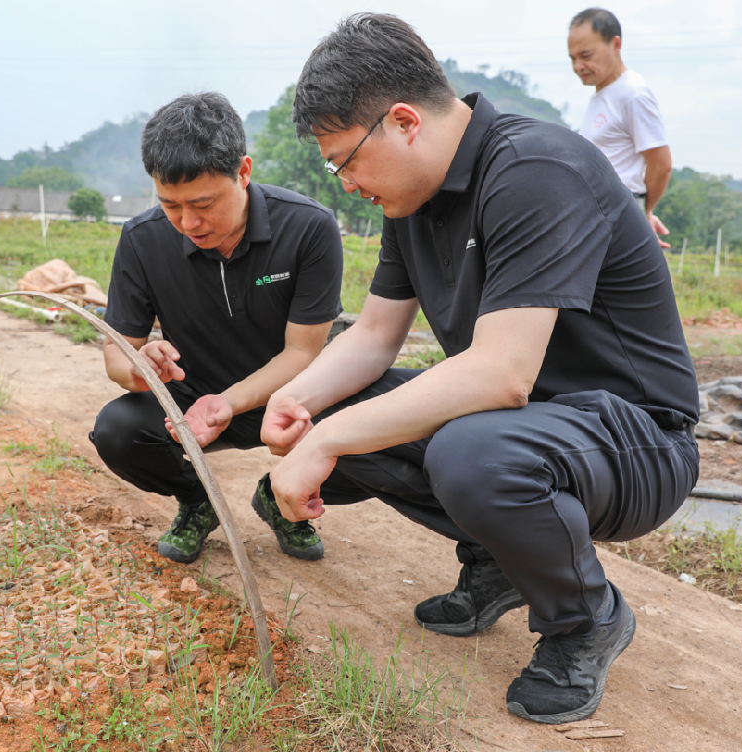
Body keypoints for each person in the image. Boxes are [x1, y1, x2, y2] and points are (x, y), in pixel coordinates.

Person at [262, 13, 699, 725]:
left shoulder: (534, 170)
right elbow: (373, 335)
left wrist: (327, 441)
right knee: (341, 407)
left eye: (345, 162)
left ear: (404, 122)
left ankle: (586, 617)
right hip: (529, 429)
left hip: (637, 440)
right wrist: (298, 401)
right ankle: (502, 562)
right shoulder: (413, 199)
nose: (345, 184)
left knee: (468, 451)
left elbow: (502, 374)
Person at [90, 92, 344, 565]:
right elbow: (116, 352)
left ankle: (281, 495)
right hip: (190, 399)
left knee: (369, 423)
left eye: (203, 203)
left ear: (243, 172)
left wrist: (230, 402)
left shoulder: (308, 228)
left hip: (287, 394)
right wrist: (139, 367)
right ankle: (196, 501)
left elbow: (303, 352)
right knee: (117, 431)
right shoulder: (143, 240)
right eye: (170, 205)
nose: (188, 222)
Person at [568, 7, 673, 248]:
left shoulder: (632, 94)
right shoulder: (603, 93)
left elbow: (661, 164)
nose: (578, 66)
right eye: (572, 58)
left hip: (617, 213)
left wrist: (644, 212)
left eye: (585, 55)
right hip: (599, 213)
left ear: (615, 44)